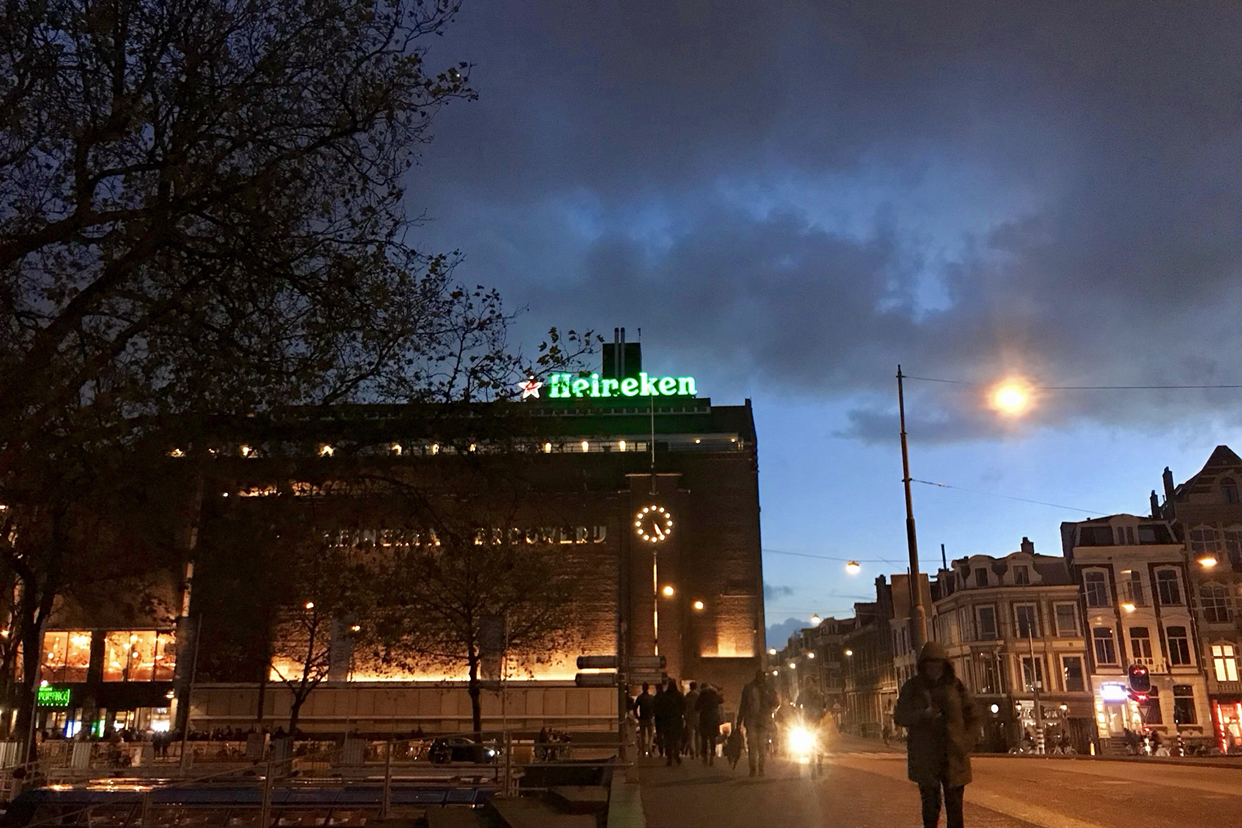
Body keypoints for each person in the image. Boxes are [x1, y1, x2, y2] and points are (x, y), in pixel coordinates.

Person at [893, 641, 980, 828]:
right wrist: (923, 715)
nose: (933, 668)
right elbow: (900, 716)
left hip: (954, 756)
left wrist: (966, 742)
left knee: (955, 810)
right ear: (923, 666)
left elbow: (973, 716)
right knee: (930, 809)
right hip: (926, 757)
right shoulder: (913, 687)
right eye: (930, 664)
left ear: (944, 664)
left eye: (937, 664)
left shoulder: (955, 686)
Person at [737, 669, 777, 777]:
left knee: (758, 745)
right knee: (756, 745)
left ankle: (758, 768)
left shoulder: (764, 688)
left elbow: (775, 702)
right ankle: (755, 768)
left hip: (759, 720)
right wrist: (739, 720)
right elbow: (743, 704)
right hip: (754, 720)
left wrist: (739, 720)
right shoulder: (752, 688)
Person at [654, 678, 685, 766]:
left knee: (668, 739)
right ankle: (677, 754)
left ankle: (669, 757)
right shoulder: (679, 695)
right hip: (677, 720)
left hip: (667, 721)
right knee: (677, 739)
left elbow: (660, 708)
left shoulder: (664, 696)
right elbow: (684, 706)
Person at [696, 683, 723, 765]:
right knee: (712, 738)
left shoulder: (702, 695)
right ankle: (712, 756)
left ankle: (705, 757)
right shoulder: (715, 694)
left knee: (704, 738)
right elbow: (721, 701)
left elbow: (696, 707)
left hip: (704, 718)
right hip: (714, 718)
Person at [635, 683, 656, 758]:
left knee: (642, 735)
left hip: (642, 718)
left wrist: (637, 716)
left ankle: (643, 751)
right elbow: (655, 707)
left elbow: (635, 707)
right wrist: (653, 714)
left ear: (642, 688)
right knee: (651, 735)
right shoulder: (651, 698)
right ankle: (650, 748)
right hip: (650, 718)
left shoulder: (640, 698)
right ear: (648, 688)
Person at [683, 681, 701, 759]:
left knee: (691, 735)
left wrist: (685, 716)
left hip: (690, 717)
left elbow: (685, 707)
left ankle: (692, 751)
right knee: (698, 735)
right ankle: (698, 752)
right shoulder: (698, 696)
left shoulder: (687, 696)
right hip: (698, 717)